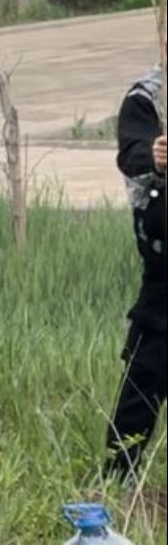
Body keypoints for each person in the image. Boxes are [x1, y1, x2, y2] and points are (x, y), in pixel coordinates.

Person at [105, 42, 166, 482]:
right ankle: (117, 482)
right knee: (145, 375)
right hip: (163, 265)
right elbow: (131, 155)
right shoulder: (147, 98)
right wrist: (155, 159)